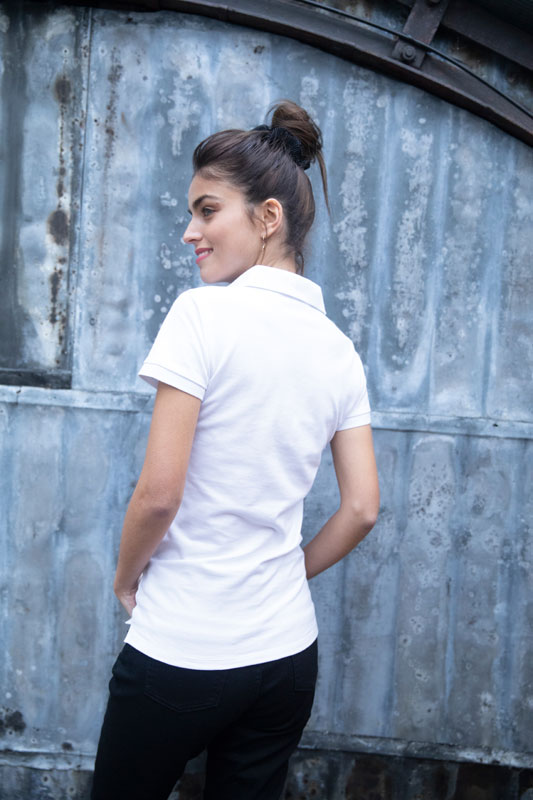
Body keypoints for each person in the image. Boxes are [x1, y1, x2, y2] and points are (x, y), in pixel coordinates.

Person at [90, 99, 379, 800]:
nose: (190, 231)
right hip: (286, 656)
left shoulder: (202, 315)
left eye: (207, 210)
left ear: (268, 216)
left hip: (182, 647)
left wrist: (126, 578)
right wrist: (285, 576)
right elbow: (363, 508)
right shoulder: (339, 349)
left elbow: (159, 495)